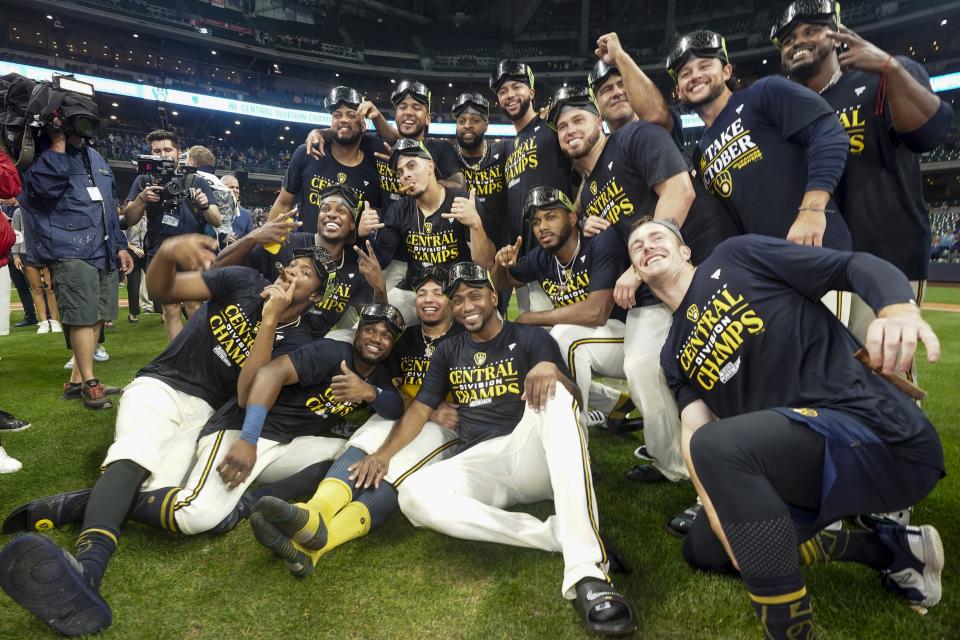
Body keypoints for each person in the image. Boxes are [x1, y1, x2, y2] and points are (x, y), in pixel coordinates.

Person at [0, 235, 335, 636]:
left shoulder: (299, 342)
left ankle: (74, 506)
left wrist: (268, 320)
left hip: (208, 412)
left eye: (307, 273)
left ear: (315, 296)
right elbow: (162, 290)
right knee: (137, 453)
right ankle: (88, 570)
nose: (293, 273)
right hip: (163, 383)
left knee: (171, 492)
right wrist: (171, 251)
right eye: (293, 265)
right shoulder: (243, 280)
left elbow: (247, 394)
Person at [628, 218, 944, 638]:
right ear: (635, 269)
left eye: (657, 237)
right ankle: (893, 549)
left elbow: (850, 267)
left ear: (685, 250)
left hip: (879, 435)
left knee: (719, 446)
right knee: (705, 547)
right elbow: (692, 432)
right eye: (636, 246)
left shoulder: (734, 256)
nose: (646, 246)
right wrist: (719, 516)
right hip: (804, 456)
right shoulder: (672, 354)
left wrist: (896, 306)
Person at [350, 262, 637, 636]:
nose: (466, 305)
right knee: (415, 497)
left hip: (534, 451)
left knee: (553, 395)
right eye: (458, 300)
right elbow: (421, 409)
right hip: (483, 461)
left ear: (493, 297)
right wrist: (383, 454)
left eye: (474, 295)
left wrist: (552, 372)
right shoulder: (449, 350)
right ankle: (557, 534)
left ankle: (587, 573)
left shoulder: (529, 337)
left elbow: (575, 399)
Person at [120, 302, 404, 538]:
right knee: (196, 516)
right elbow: (269, 374)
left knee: (347, 462)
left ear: (392, 346)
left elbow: (395, 408)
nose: (376, 339)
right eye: (370, 330)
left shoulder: (376, 378)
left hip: (284, 445)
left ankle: (249, 503)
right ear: (357, 332)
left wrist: (368, 391)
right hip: (243, 433)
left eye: (386, 336)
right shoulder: (331, 352)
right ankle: (102, 501)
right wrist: (248, 438)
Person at [771, 0, 953, 362]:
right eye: (789, 39)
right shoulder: (787, 112)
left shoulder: (879, 77)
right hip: (817, 261)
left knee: (883, 374)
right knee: (822, 372)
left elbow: (929, 134)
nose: (797, 42)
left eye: (811, 30)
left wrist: (891, 68)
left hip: (885, 254)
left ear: (836, 34)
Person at [250, 269, 460, 576]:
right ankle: (314, 512)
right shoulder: (406, 340)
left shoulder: (463, 338)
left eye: (437, 292)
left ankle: (319, 545)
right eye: (422, 293)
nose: (428, 300)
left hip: (444, 424)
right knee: (361, 444)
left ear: (451, 300)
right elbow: (389, 382)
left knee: (396, 468)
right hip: (406, 412)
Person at [548, 86, 697, 484]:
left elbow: (680, 191)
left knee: (651, 366)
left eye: (578, 119)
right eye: (561, 126)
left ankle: (691, 462)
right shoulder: (590, 190)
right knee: (577, 343)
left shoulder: (633, 137)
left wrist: (637, 266)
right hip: (645, 303)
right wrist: (586, 223)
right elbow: (611, 223)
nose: (569, 130)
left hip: (685, 283)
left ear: (599, 121)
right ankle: (664, 460)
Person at [491, 187, 631, 429]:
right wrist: (500, 264)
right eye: (536, 222)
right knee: (532, 347)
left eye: (551, 216)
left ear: (572, 218)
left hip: (627, 338)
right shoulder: (542, 257)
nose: (542, 227)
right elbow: (500, 283)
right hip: (590, 341)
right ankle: (611, 403)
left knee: (563, 336)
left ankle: (576, 430)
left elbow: (597, 313)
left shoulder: (599, 241)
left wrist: (531, 318)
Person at [17, 119, 133, 409]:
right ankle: (90, 383)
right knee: (81, 315)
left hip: (102, 245)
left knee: (97, 315)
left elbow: (108, 204)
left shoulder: (94, 157)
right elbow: (40, 195)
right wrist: (56, 144)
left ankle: (78, 379)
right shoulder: (42, 154)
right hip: (68, 247)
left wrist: (119, 246)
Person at [215, 184, 385, 340]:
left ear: (352, 225)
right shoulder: (286, 242)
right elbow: (218, 270)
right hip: (253, 335)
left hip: (303, 356)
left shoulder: (356, 269)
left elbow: (377, 324)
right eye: (325, 209)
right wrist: (251, 238)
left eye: (341, 211)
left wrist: (380, 289)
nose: (331, 214)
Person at [359, 139, 495, 323]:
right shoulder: (399, 209)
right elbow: (381, 259)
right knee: (372, 324)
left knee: (493, 331)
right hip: (415, 291)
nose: (405, 175)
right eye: (400, 172)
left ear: (430, 166)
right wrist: (365, 234)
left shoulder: (462, 202)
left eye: (412, 166)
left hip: (458, 291)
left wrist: (475, 225)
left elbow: (485, 262)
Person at [490, 59, 574, 313]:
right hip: (525, 262)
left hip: (556, 256)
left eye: (516, 87)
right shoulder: (508, 148)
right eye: (503, 91)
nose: (510, 95)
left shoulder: (551, 128)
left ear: (532, 92)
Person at [122, 129, 221, 340]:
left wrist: (204, 204)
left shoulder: (196, 179)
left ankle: (199, 353)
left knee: (195, 304)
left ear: (178, 152)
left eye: (167, 149)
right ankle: (178, 358)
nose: (162, 155)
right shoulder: (144, 179)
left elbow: (216, 219)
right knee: (170, 308)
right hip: (160, 249)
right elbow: (128, 219)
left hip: (192, 248)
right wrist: (141, 199)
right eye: (156, 151)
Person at [271, 87, 383, 235]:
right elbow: (283, 203)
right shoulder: (307, 152)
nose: (343, 119)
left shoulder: (373, 170)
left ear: (364, 125)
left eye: (352, 115)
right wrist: (271, 245)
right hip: (304, 254)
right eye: (337, 115)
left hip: (346, 256)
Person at [123, 215, 147, 323]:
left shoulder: (147, 219)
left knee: (156, 281)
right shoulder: (126, 219)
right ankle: (133, 314)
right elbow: (122, 237)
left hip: (147, 252)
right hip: (132, 254)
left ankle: (162, 312)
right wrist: (134, 248)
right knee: (133, 284)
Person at [221, 174, 253, 241]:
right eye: (232, 187)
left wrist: (240, 242)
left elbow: (250, 239)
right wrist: (222, 238)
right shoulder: (213, 209)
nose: (235, 190)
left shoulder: (246, 214)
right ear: (221, 189)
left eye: (237, 187)